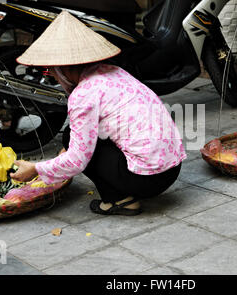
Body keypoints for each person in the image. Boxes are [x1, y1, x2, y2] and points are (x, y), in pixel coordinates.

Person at [10, 11, 186, 215]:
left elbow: (78, 160)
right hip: (172, 169)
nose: (53, 77)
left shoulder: (83, 94)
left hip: (147, 180)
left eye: (52, 71)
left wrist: (36, 168)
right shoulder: (115, 71)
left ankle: (118, 200)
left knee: (70, 138)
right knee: (75, 136)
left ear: (64, 68)